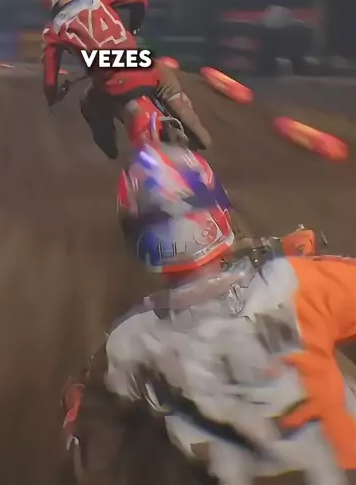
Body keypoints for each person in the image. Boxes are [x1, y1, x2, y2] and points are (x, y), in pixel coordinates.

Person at [62, 143, 352, 485]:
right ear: (218, 213)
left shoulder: (128, 344)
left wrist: (78, 408)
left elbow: (90, 457)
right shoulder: (300, 282)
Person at [35, 0, 211, 157]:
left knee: (89, 105)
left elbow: (50, 78)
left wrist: (52, 98)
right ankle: (195, 128)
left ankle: (110, 149)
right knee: (167, 80)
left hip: (110, 82)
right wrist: (135, 26)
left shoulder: (53, 30)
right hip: (140, 63)